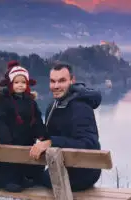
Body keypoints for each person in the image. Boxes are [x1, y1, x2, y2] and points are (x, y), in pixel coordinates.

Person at [30, 62, 102, 191]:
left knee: (33, 180)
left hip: (84, 172)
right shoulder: (53, 105)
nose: (56, 86)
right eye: (53, 81)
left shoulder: (81, 107)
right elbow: (51, 134)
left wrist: (51, 142)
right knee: (29, 177)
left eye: (62, 81)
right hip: (62, 166)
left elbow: (89, 144)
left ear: (72, 81)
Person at [0, 62, 47, 192]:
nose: (20, 85)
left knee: (26, 160)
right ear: (10, 84)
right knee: (11, 162)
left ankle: (24, 178)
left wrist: (42, 134)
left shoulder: (30, 101)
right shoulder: (4, 101)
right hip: (11, 138)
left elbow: (36, 118)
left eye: (23, 82)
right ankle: (10, 181)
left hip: (27, 137)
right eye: (16, 82)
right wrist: (6, 137)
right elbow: (1, 120)